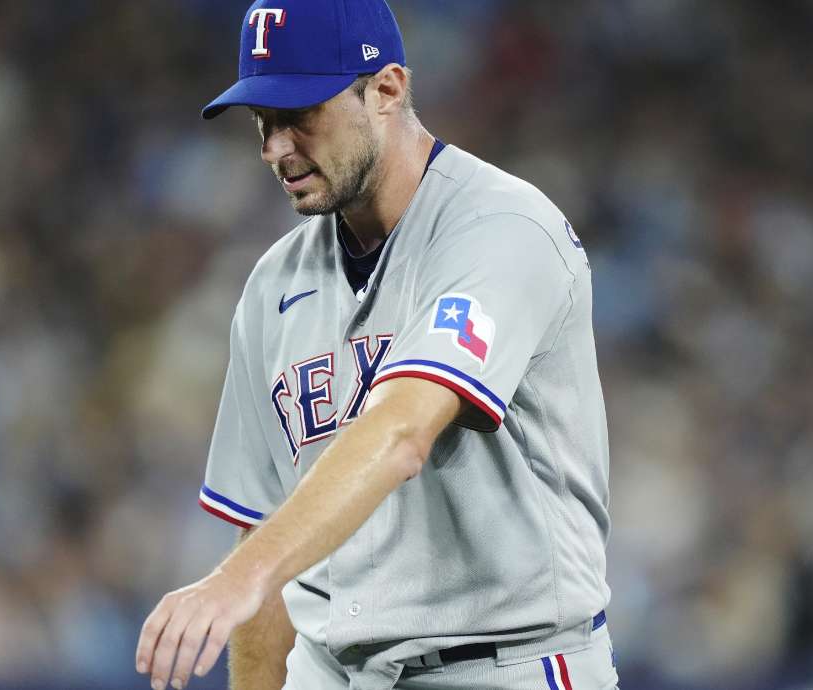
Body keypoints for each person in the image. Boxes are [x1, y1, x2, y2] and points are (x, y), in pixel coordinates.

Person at [135, 1, 616, 688]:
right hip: (335, 668)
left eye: (299, 114)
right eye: (262, 123)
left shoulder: (502, 227)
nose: (276, 148)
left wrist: (234, 579)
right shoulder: (273, 285)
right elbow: (265, 532)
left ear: (387, 89)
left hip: (507, 664)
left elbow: (401, 432)